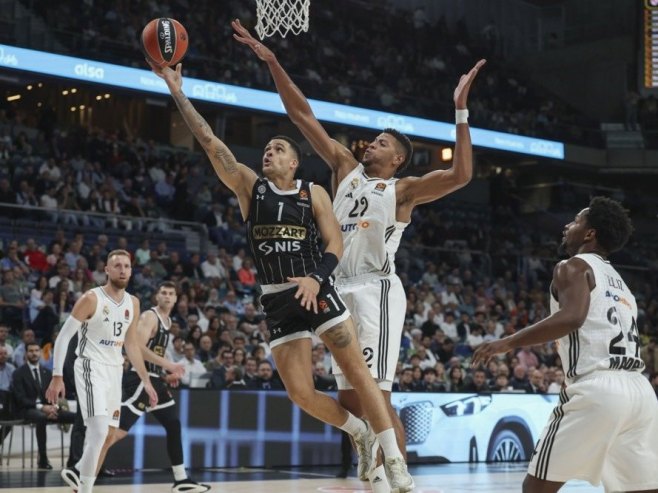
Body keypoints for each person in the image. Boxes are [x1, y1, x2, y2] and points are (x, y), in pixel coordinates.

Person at [232, 18, 484, 475]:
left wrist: (461, 111)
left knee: (377, 396)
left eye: (382, 143)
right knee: (350, 399)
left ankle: (396, 478)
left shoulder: (404, 190)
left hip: (374, 291)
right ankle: (372, 467)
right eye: (374, 140)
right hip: (330, 286)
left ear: (397, 159)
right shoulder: (344, 168)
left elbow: (462, 176)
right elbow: (301, 116)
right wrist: (272, 62)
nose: (372, 145)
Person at [151, 61, 414, 491]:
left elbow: (335, 245)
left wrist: (316, 277)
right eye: (267, 149)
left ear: (294, 162)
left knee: (362, 377)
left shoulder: (315, 193)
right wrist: (177, 91)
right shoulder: (249, 187)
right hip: (278, 298)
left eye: (277, 149)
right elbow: (208, 140)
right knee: (300, 393)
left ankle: (396, 462)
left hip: (321, 289)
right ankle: (360, 433)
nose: (268, 153)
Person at [472, 197, 658, 493]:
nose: (567, 225)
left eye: (576, 220)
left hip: (598, 388)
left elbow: (572, 317)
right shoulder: (622, 283)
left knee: (535, 489)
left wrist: (506, 343)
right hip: (641, 393)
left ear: (590, 233)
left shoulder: (572, 265)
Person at [45, 250, 159, 493]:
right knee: (97, 431)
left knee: (107, 436)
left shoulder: (133, 302)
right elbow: (64, 337)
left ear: (131, 270)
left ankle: (78, 476)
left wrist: (146, 380)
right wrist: (57, 375)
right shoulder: (91, 298)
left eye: (126, 266)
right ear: (106, 270)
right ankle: (82, 480)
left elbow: (131, 345)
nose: (122, 270)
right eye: (117, 265)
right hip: (90, 366)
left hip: (114, 371)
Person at [94, 281, 208, 492]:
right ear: (157, 297)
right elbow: (135, 347)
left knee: (173, 424)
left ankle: (181, 479)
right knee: (118, 432)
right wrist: (169, 364)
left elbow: (154, 354)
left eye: (171, 293)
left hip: (154, 378)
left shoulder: (167, 320)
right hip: (139, 378)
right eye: (163, 292)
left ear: (176, 299)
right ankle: (82, 469)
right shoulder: (149, 316)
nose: (166, 296)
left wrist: (165, 375)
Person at [11, 342, 76, 469]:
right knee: (41, 417)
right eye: (31, 351)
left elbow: (54, 395)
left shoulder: (47, 372)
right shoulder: (18, 373)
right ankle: (43, 458)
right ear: (25, 353)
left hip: (48, 409)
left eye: (36, 350)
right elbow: (20, 399)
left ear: (40, 352)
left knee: (77, 417)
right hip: (27, 409)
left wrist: (54, 408)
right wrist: (42, 408)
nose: (34, 353)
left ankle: (74, 459)